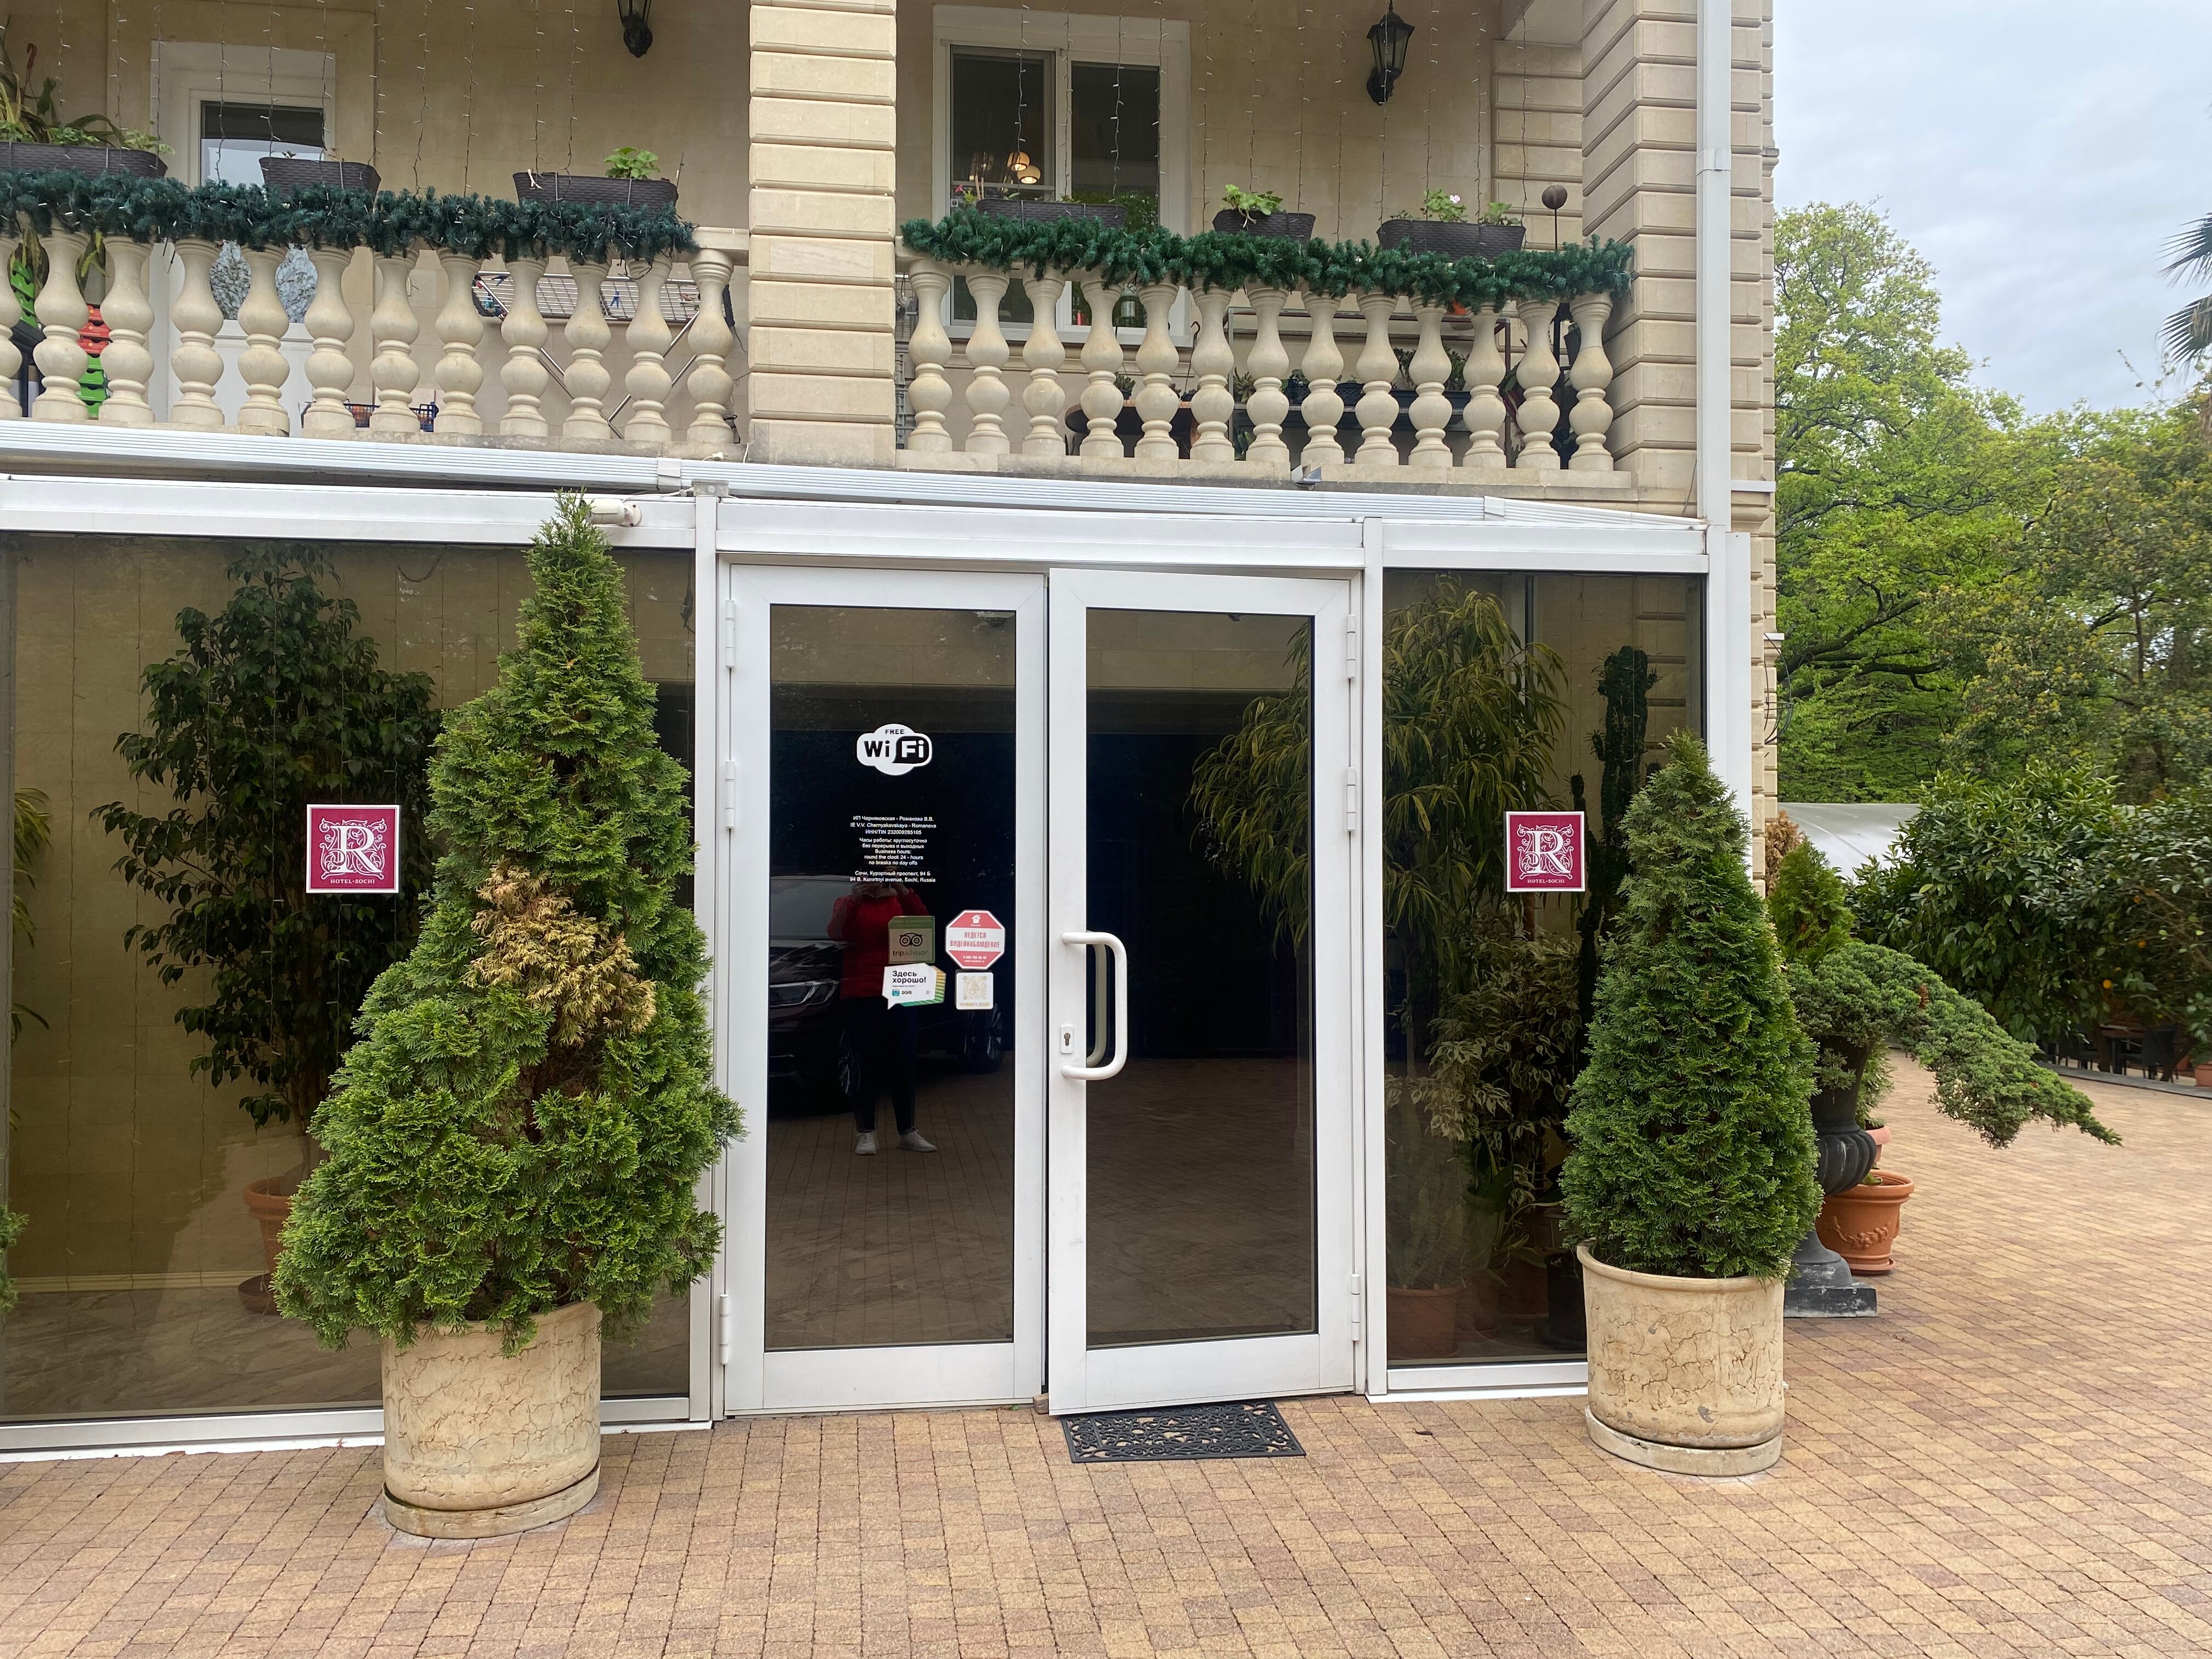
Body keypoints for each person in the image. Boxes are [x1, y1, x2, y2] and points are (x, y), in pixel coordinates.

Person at [826, 879, 938, 1155]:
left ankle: (908, 1131)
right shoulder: (847, 902)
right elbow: (839, 934)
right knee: (866, 1062)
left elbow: (923, 926)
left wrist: (904, 891)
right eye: (869, 875)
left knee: (904, 1060)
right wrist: (855, 902)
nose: (875, 881)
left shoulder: (901, 900)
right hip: (863, 990)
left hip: (904, 987)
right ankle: (866, 1133)